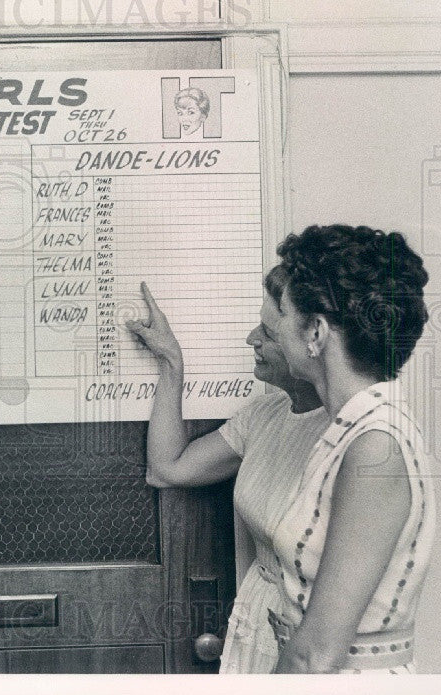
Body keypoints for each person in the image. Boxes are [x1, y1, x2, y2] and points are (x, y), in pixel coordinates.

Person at [126, 268, 330, 673]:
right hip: (257, 612)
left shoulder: (349, 432)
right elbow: (167, 470)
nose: (251, 338)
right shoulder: (267, 413)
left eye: (268, 333)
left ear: (314, 342)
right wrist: (171, 364)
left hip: (304, 630)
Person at [263, 224, 433, 674]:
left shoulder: (375, 445)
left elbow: (317, 654)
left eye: (281, 312)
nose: (273, 330)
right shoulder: (350, 425)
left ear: (315, 333)